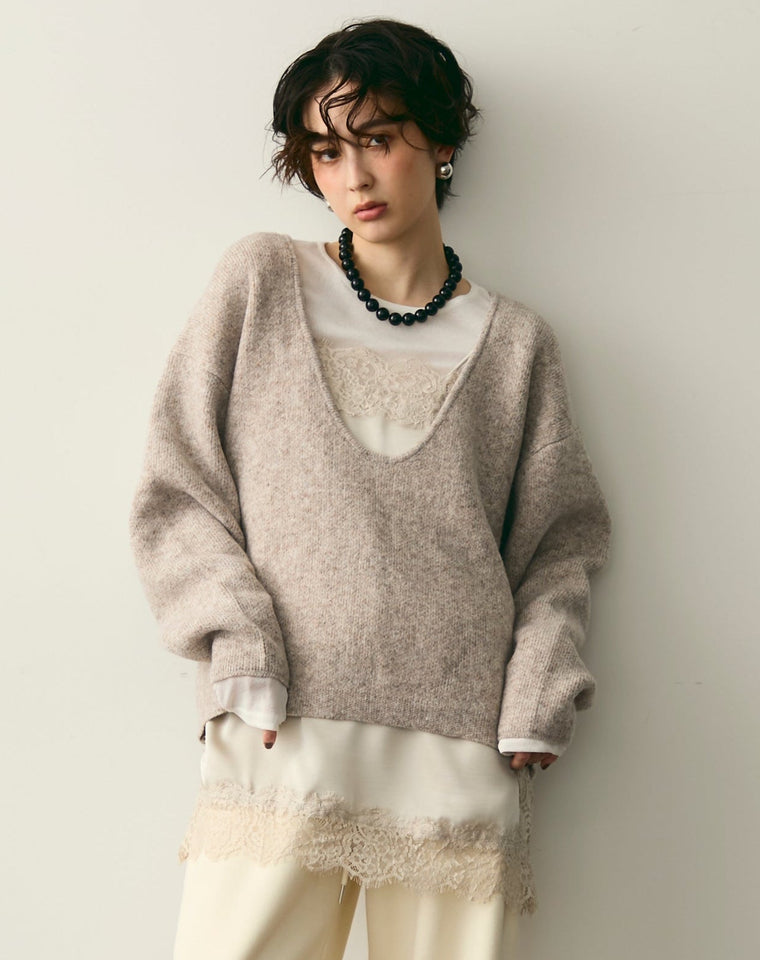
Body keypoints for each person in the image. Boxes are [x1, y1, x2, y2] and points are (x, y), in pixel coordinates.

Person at [128, 17, 612, 960]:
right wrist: (238, 645)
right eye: (324, 151)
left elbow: (560, 542)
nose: (352, 176)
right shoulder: (261, 282)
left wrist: (538, 691)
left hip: (461, 741)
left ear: (441, 141)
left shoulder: (516, 344)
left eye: (378, 139)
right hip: (281, 720)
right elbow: (176, 485)